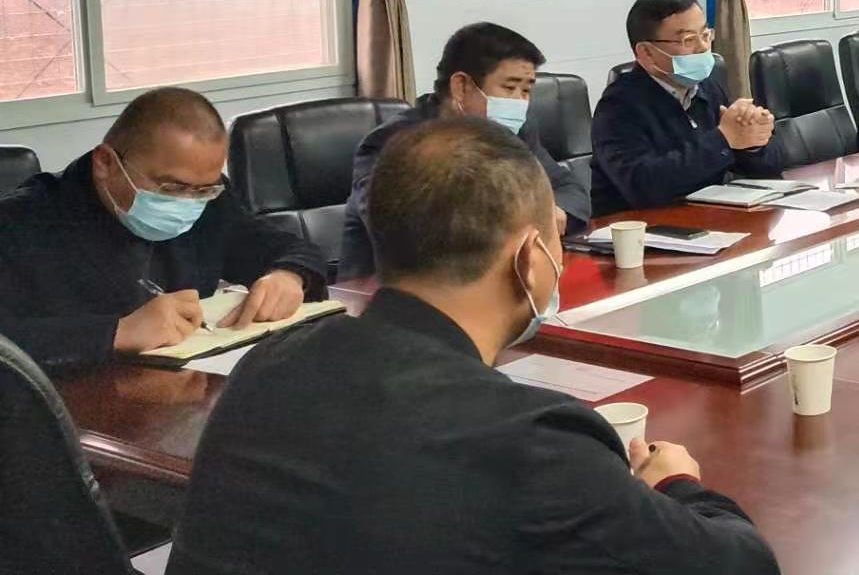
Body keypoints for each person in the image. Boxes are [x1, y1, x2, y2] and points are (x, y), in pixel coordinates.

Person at [166, 119, 778, 575]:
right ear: (530, 257)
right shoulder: (532, 440)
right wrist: (677, 485)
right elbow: (742, 565)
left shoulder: (268, 365)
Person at [0, 88, 326, 374]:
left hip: (186, 394)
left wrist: (290, 274)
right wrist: (116, 333)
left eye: (204, 189)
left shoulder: (208, 199)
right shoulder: (20, 224)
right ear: (105, 163)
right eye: (172, 188)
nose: (189, 203)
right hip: (68, 411)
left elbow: (283, 247)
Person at [340, 23, 590, 281]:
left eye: (526, 90)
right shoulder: (393, 144)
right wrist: (524, 218)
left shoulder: (515, 131)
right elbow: (409, 234)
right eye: (509, 88)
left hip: (488, 282)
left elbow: (569, 190)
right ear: (461, 86)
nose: (519, 102)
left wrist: (552, 212)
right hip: (384, 292)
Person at [591, 0, 781, 214]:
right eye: (688, 40)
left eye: (705, 35)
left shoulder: (707, 88)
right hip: (640, 228)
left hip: (707, 218)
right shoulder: (618, 106)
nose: (703, 47)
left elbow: (768, 171)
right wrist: (724, 139)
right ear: (647, 53)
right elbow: (643, 186)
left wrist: (752, 142)